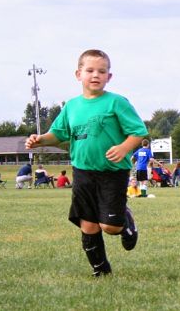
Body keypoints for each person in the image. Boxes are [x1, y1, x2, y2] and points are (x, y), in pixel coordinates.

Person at [25, 49, 147, 277]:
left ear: (109, 76)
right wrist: (40, 139)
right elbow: (58, 134)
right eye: (90, 70)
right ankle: (101, 271)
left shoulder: (116, 102)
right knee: (88, 224)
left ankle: (126, 219)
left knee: (110, 227)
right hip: (82, 172)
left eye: (102, 71)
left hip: (112, 172)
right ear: (78, 74)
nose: (95, 75)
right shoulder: (71, 106)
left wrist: (124, 148)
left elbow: (138, 132)